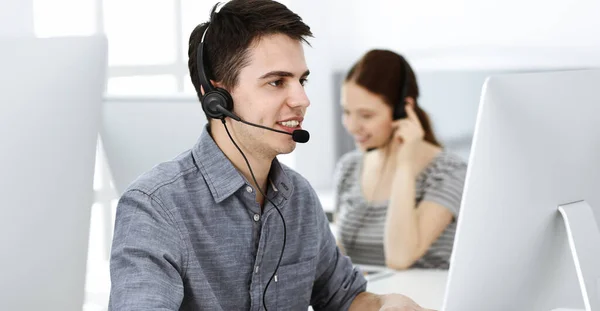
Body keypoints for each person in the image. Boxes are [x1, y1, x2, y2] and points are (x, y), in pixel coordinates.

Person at [108, 1, 435, 310]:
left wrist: (384, 304)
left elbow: (345, 298)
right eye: (277, 82)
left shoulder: (299, 198)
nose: (302, 99)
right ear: (217, 97)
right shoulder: (154, 208)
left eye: (301, 81)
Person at [334, 49, 467, 271]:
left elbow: (399, 258)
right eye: (346, 112)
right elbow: (339, 259)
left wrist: (405, 165)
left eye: (366, 115)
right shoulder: (349, 167)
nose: (351, 125)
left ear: (401, 110)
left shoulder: (448, 172)